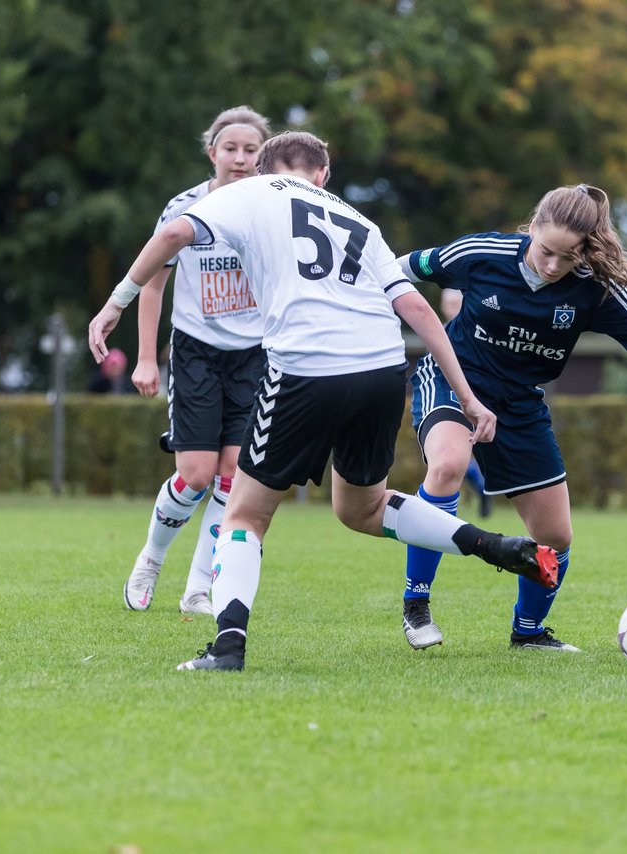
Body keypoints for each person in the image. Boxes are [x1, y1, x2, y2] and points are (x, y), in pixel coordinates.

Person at [88, 131, 558, 672]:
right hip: (381, 367)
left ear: (264, 168)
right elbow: (422, 314)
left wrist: (115, 302)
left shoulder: (253, 191)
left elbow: (174, 232)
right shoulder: (359, 221)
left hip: (308, 365)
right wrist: (470, 400)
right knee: (363, 508)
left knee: (244, 513)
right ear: (324, 176)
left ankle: (227, 648)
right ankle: (497, 547)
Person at [399, 183, 627, 653]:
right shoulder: (482, 253)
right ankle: (416, 603)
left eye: (567, 258)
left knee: (555, 536)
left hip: (521, 405)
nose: (552, 266)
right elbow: (395, 271)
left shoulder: (594, 287)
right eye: (546, 251)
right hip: (453, 380)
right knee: (447, 465)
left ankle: (527, 632)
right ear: (532, 227)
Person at [118, 106, 272, 616]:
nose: (241, 158)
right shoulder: (184, 209)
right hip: (196, 354)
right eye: (231, 148)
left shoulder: (269, 212)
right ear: (213, 153)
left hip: (253, 358)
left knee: (234, 475)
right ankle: (152, 558)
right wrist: (145, 359)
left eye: (252, 150)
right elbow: (153, 283)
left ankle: (199, 587)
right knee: (196, 473)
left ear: (263, 156)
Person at [438, 288, 491, 518]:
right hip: (445, 401)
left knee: (456, 458)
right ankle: (480, 489)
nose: (452, 307)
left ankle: (481, 489)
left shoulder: (478, 332)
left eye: (456, 302)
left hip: (474, 401)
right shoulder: (437, 332)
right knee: (448, 460)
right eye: (448, 303)